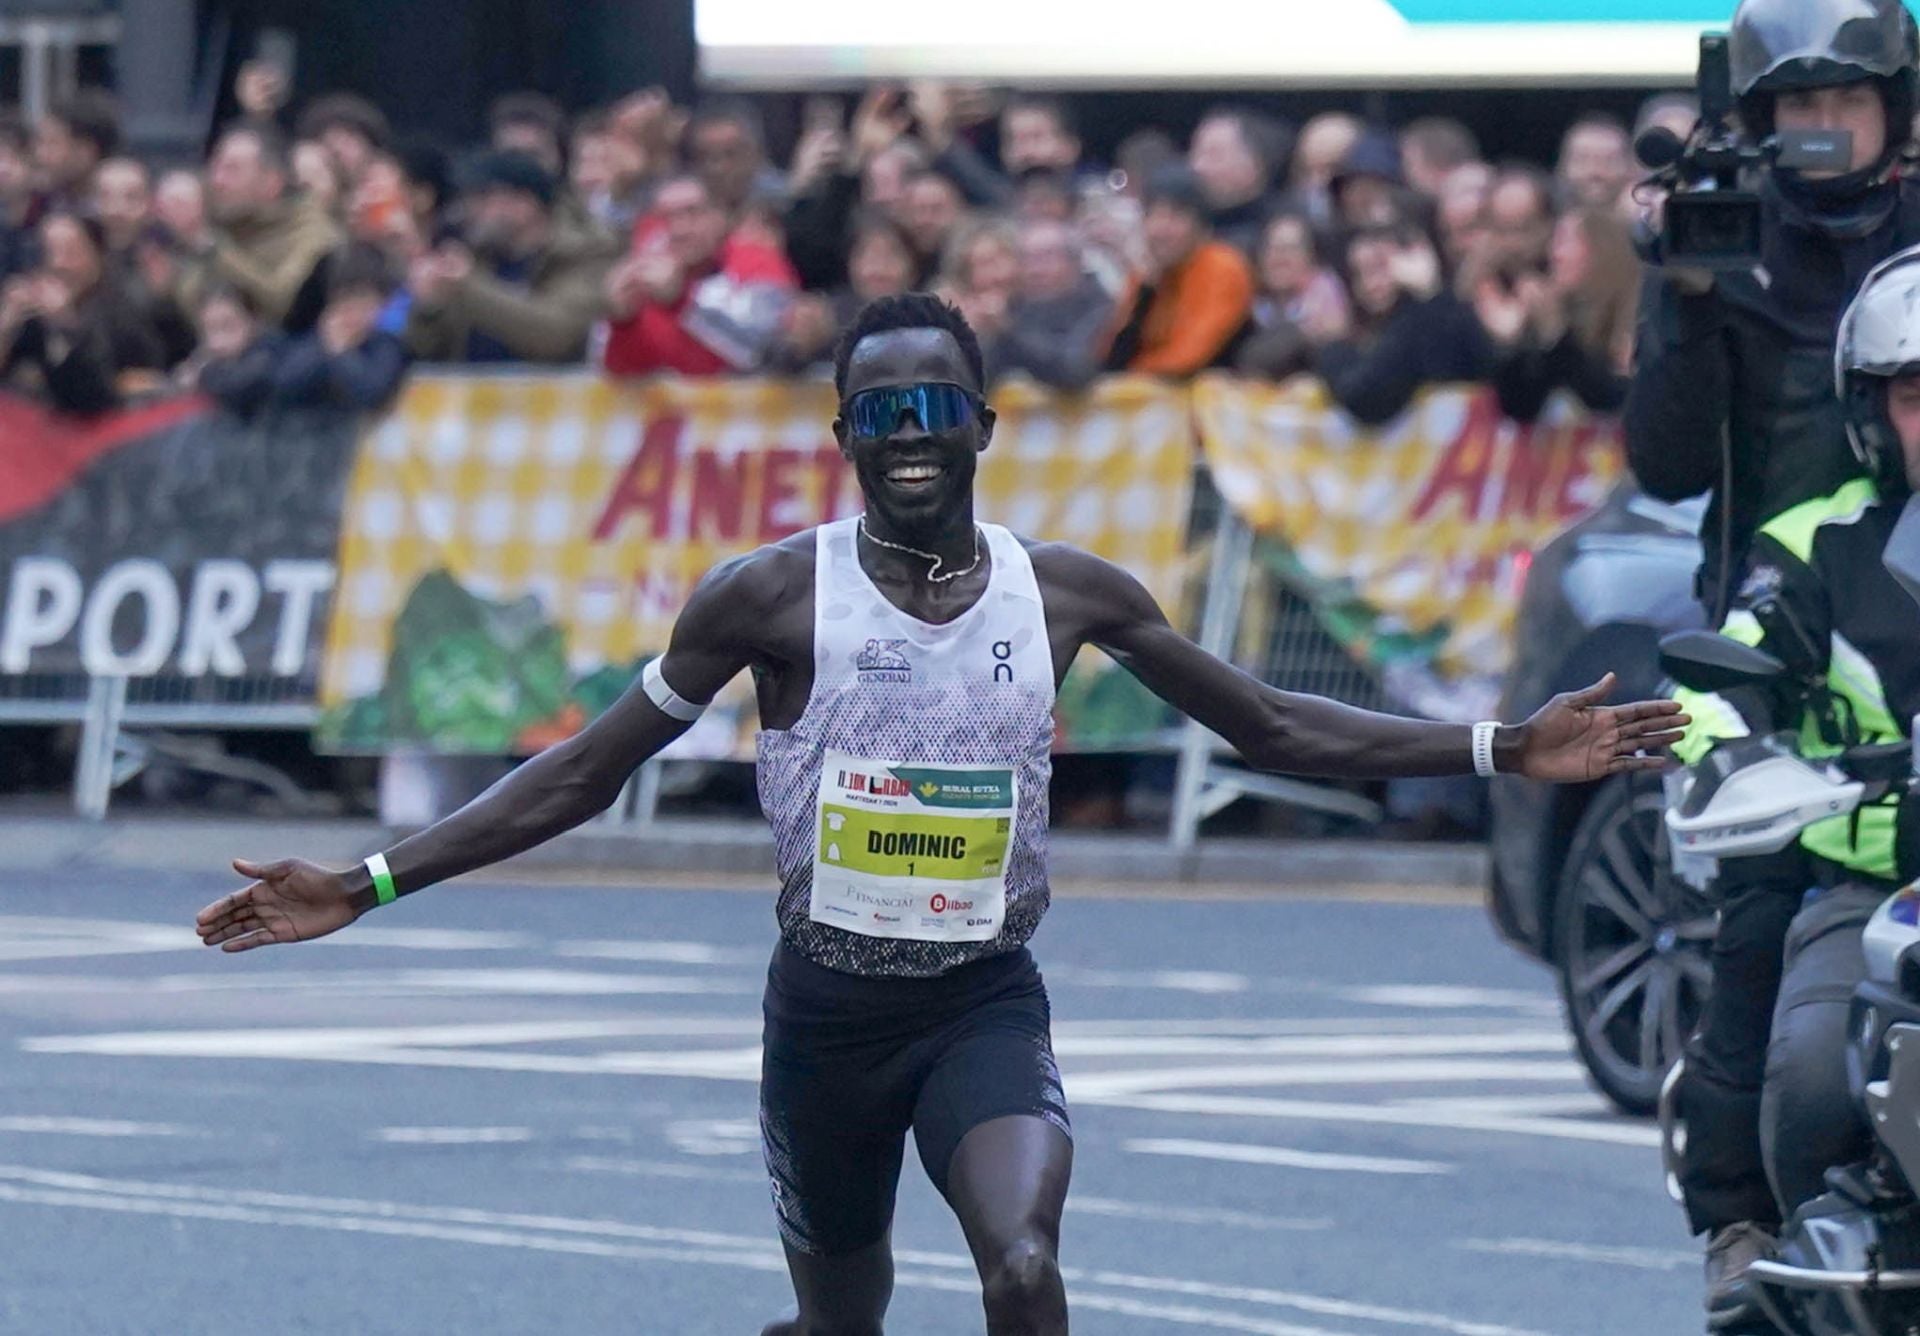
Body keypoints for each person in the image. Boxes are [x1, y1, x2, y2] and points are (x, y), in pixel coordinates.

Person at [194, 290, 1687, 1336]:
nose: (908, 434)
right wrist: (371, 882)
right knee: (845, 1320)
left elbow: (1274, 723)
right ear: (844, 432)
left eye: (935, 408)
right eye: (877, 411)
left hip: (985, 1002)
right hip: (825, 1022)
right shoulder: (768, 597)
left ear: (981, 424)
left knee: (1023, 1264)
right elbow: (586, 772)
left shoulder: (1075, 593)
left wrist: (1501, 746)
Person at [1623, 1, 1920, 1324]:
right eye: (1792, 109)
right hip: (1786, 623)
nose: (1818, 133)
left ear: (1894, 113)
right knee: (1760, 949)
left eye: (1840, 105)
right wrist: (1681, 295)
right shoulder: (1716, 249)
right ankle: (1750, 1228)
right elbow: (1667, 464)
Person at [1667, 244, 1920, 1325]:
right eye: (1919, 393)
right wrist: (1735, 752)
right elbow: (1722, 680)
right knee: (1819, 1067)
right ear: (1871, 410)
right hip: (1880, 900)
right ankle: (1806, 1269)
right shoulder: (1812, 543)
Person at [404, 150, 616, 366]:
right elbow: (426, 350)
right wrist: (430, 306)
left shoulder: (585, 254)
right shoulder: (475, 255)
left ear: (525, 204)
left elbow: (554, 337)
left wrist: (468, 287)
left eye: (483, 196)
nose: (470, 209)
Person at [602, 172, 798, 376]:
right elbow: (619, 375)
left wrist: (682, 301)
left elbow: (762, 350)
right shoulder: (645, 276)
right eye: (666, 217)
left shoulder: (757, 261)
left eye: (693, 213)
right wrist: (623, 323)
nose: (680, 229)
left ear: (720, 216)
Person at [1316, 222, 1490, 425]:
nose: (1370, 284)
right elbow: (1359, 394)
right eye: (1359, 273)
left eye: (1380, 266)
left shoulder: (1445, 311)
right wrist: (1333, 345)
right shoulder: (1359, 335)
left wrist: (1428, 293)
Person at [1473, 206, 1637, 421]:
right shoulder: (1555, 311)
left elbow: (1607, 396)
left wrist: (1557, 333)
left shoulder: (1634, 313)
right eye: (1555, 241)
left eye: (1566, 241)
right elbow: (1518, 406)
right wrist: (1512, 342)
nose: (1554, 254)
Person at [181, 121, 344, 328]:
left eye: (232, 170)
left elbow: (283, 301)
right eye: (216, 167)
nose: (216, 181)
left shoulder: (312, 232)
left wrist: (216, 252)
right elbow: (190, 307)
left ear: (271, 183)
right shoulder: (220, 224)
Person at [1102, 165, 1254, 376]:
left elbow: (1187, 358)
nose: (1160, 228)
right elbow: (1108, 358)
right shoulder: (1146, 274)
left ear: (1201, 226)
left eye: (1175, 217)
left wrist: (1131, 378)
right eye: (1153, 215)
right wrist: (1145, 294)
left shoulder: (1222, 267)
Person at [986, 217, 1114, 391]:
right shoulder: (1013, 307)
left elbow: (1075, 370)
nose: (1035, 271)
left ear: (1076, 262)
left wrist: (1009, 333)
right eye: (1026, 260)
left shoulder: (1102, 307)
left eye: (1046, 258)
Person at [1234, 209, 1349, 382]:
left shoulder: (1328, 302)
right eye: (1271, 248)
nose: (1280, 258)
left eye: (1291, 248)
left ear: (1312, 257)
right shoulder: (1247, 299)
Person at [1188, 107, 1292, 259]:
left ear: (1254, 166)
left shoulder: (1278, 231)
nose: (1197, 166)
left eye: (1213, 155)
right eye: (1195, 153)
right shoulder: (1187, 229)